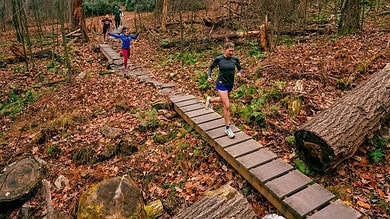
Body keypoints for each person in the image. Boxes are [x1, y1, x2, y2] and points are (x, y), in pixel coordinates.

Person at [205, 42, 243, 138]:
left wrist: (239, 73)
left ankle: (210, 100)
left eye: (233, 51)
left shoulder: (235, 59)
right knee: (226, 105)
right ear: (225, 50)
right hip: (221, 83)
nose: (231, 53)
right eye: (229, 51)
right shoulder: (219, 59)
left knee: (222, 100)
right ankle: (227, 128)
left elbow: (240, 68)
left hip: (230, 84)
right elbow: (210, 67)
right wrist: (209, 76)